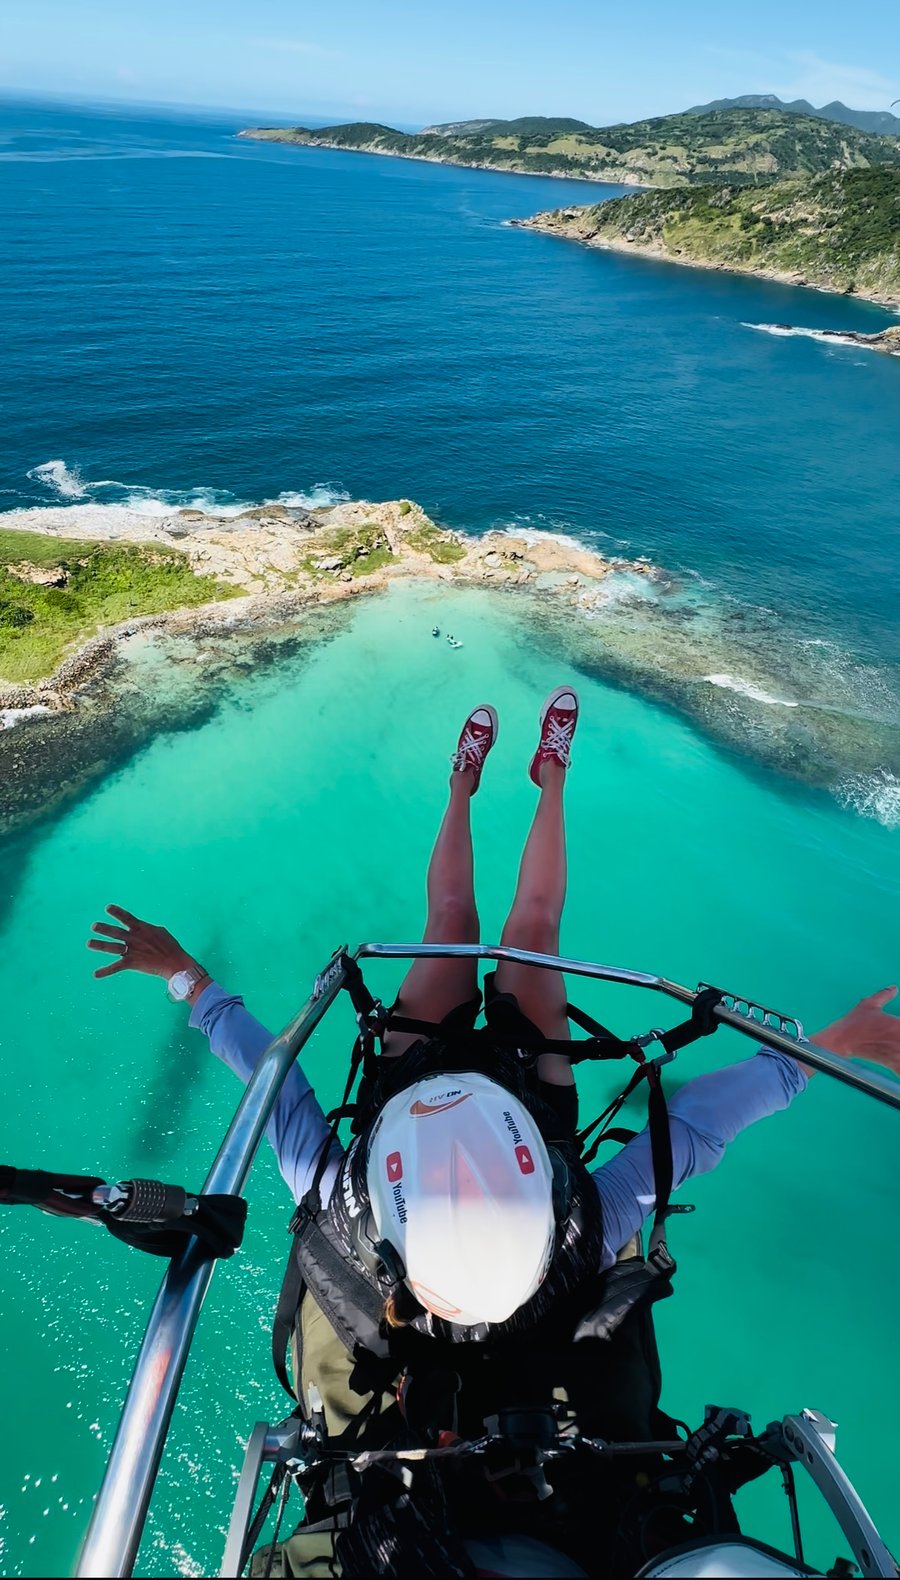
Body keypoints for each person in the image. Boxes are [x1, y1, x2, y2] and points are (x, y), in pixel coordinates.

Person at [87, 687, 900, 1420]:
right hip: (525, 1098)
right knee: (534, 928)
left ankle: (460, 785)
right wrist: (830, 1048)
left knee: (450, 923)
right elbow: (689, 1132)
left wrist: (188, 981)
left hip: (440, 1087)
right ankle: (550, 778)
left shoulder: (349, 1206)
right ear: (541, 1200)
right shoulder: (576, 1230)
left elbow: (276, 1085)